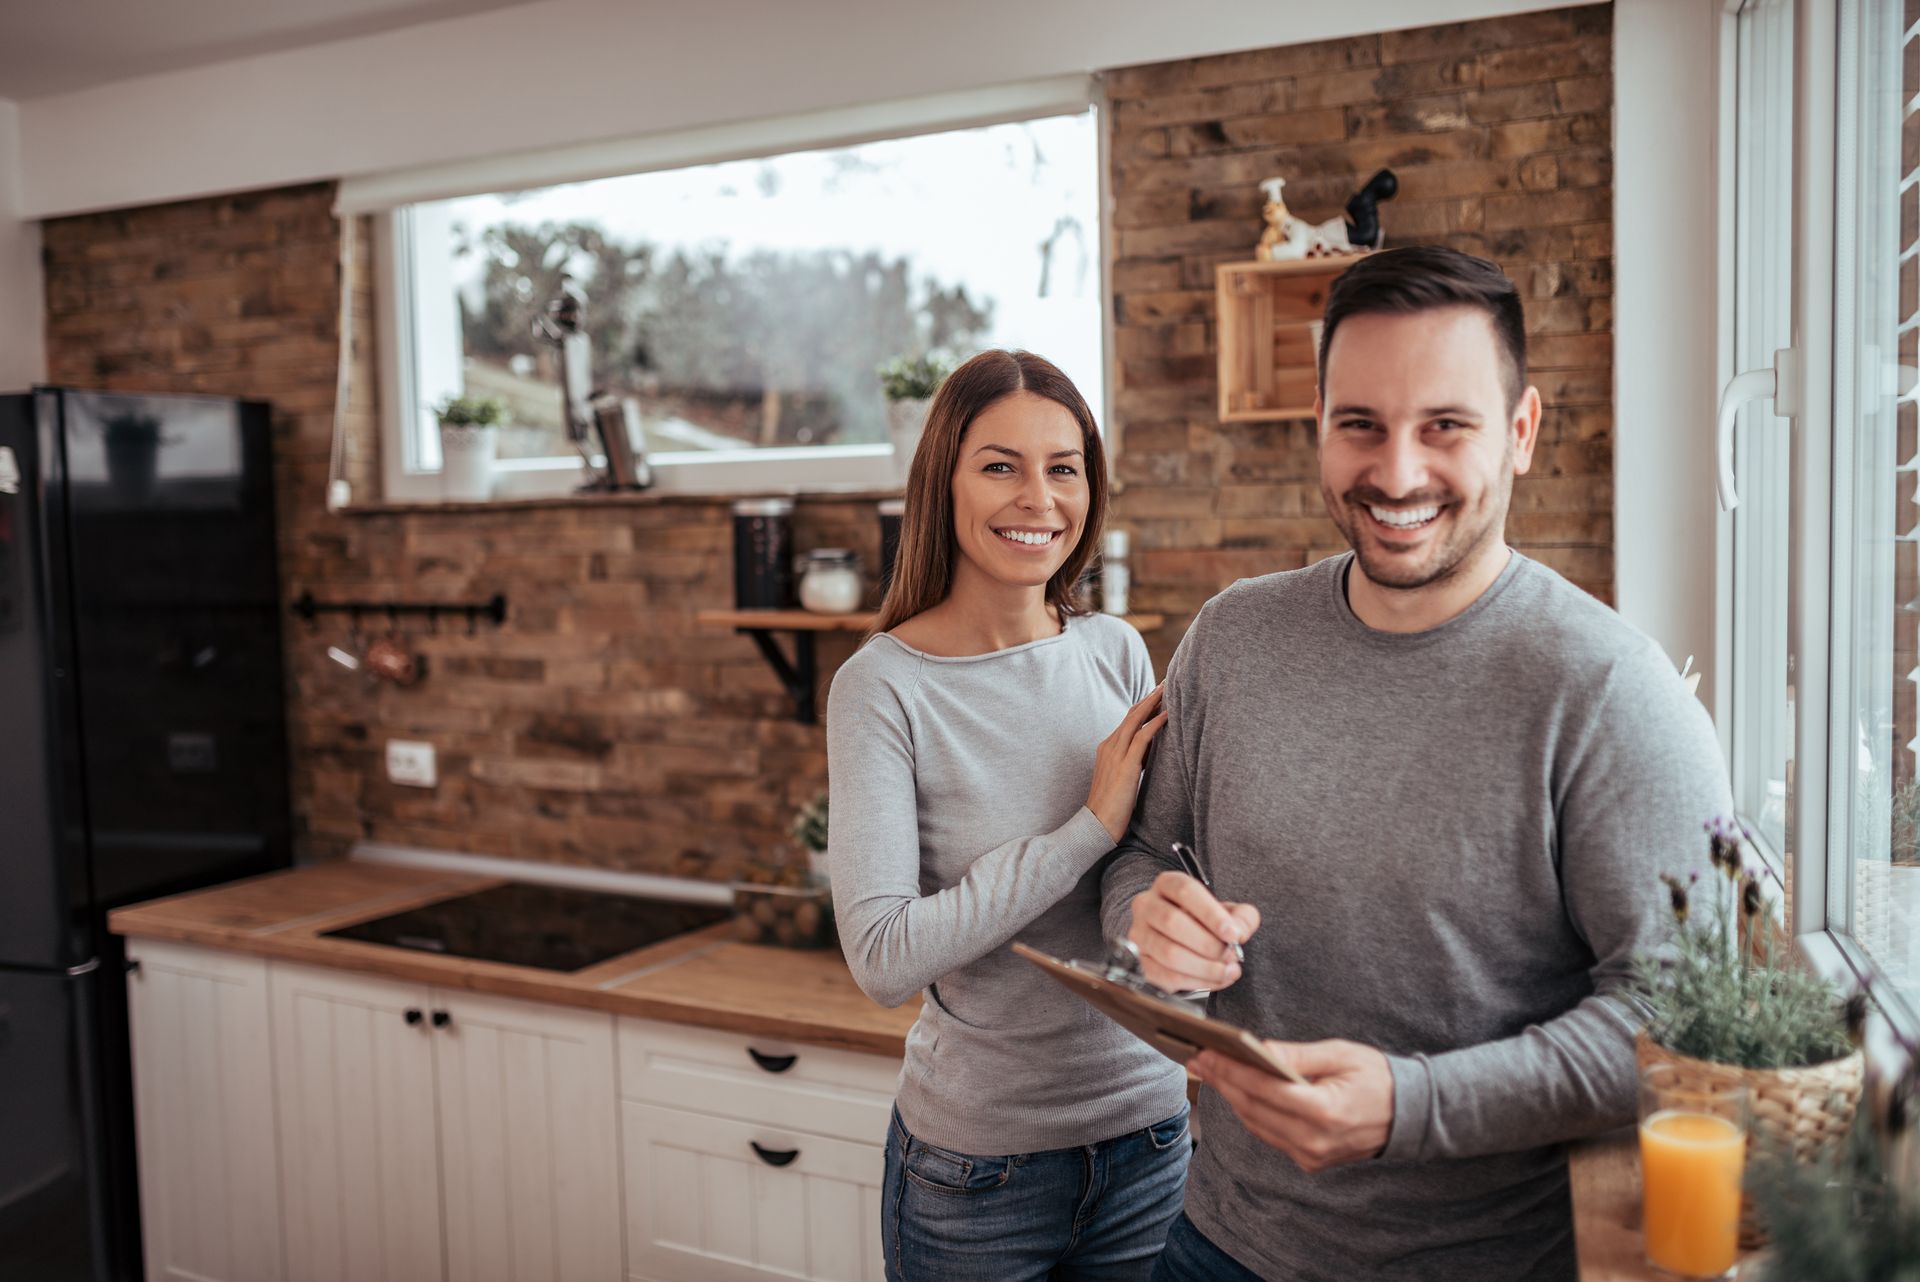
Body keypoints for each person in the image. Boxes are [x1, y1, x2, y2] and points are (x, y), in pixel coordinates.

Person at [1101, 246, 1730, 1281]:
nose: (1396, 473)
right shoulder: (1230, 639)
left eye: (1445, 426)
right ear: (1319, 427)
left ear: (1520, 433)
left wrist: (1411, 1105)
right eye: (1360, 425)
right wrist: (1146, 915)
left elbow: (1676, 1024)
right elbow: (1139, 854)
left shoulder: (1612, 691)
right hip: (1214, 1241)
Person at [829, 349, 1192, 1281]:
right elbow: (882, 958)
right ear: (942, 482)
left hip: (1152, 1140)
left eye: (1062, 467)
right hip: (977, 1174)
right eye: (1001, 465)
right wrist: (1084, 832)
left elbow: (1156, 863)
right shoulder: (884, 687)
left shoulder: (1114, 651)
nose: (1039, 498)